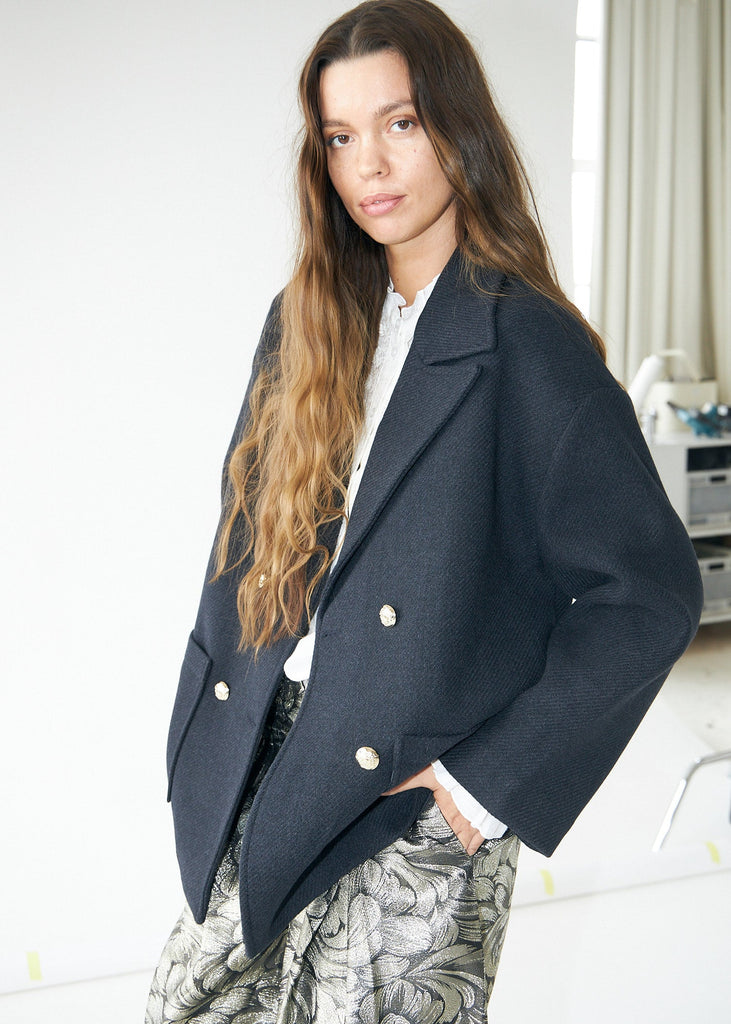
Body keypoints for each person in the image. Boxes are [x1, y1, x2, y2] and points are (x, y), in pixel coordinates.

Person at [146, 1, 703, 1021]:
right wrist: (202, 724)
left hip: (412, 789)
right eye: (341, 137)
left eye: (398, 123)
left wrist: (483, 783)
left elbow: (650, 592)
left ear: (456, 126)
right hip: (264, 757)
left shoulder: (526, 345)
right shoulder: (302, 321)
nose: (370, 164)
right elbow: (243, 541)